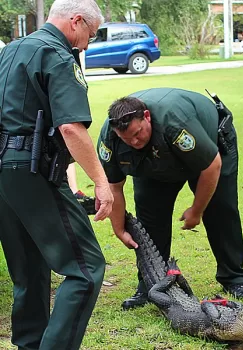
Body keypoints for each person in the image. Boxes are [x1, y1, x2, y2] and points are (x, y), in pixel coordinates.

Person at [0, 0, 114, 349]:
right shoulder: (58, 54)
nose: (86, 45)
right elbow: (70, 127)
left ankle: (29, 344)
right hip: (32, 170)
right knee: (86, 269)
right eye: (90, 36)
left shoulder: (10, 51)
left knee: (30, 271)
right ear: (75, 21)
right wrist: (100, 181)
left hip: (3, 172)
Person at [97, 87, 243, 309]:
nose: (133, 141)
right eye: (126, 138)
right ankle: (149, 284)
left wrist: (196, 211)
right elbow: (114, 186)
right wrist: (119, 228)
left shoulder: (175, 123)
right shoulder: (110, 138)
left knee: (220, 210)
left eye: (138, 132)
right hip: (154, 161)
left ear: (147, 117)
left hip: (209, 149)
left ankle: (234, 280)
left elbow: (212, 166)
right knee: (150, 220)